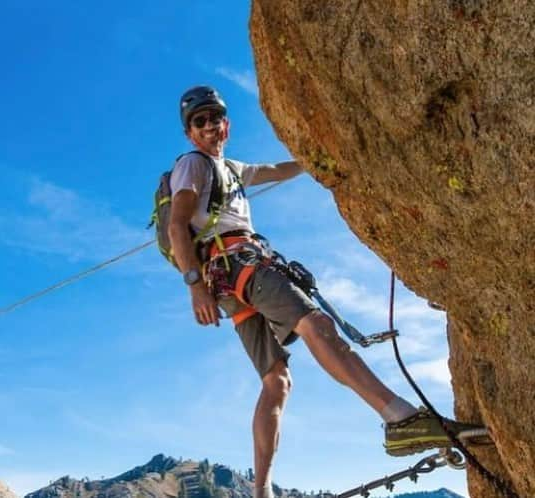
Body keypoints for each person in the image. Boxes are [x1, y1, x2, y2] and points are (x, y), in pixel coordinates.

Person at [168, 86, 480, 498]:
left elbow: (276, 171)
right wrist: (194, 288)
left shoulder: (231, 170)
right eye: (199, 121)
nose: (209, 126)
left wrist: (316, 162)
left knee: (276, 382)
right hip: (238, 265)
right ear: (190, 133)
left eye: (214, 118)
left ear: (227, 124)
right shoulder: (193, 165)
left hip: (228, 282)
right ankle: (398, 418)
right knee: (316, 323)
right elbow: (177, 225)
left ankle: (261, 491)